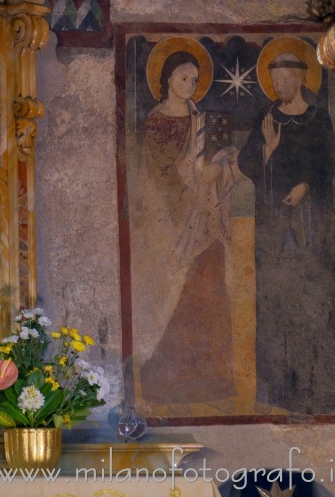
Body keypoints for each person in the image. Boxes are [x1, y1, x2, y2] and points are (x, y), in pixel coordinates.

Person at [132, 48, 240, 405]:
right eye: (183, 77)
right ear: (166, 79)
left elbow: (218, 176)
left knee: (210, 288)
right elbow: (160, 175)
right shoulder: (157, 122)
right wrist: (196, 182)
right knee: (175, 292)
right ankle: (169, 375)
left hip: (205, 223)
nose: (190, 84)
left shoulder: (203, 120)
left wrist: (221, 167)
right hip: (171, 221)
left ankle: (211, 373)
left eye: (195, 79)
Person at [238, 51, 335, 413]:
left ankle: (322, 390)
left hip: (313, 230)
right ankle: (281, 391)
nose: (278, 86)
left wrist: (307, 187)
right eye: (273, 80)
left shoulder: (319, 120)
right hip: (275, 232)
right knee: (278, 305)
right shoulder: (266, 118)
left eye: (284, 78)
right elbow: (247, 163)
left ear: (300, 78)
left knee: (316, 303)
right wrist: (268, 150)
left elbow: (330, 162)